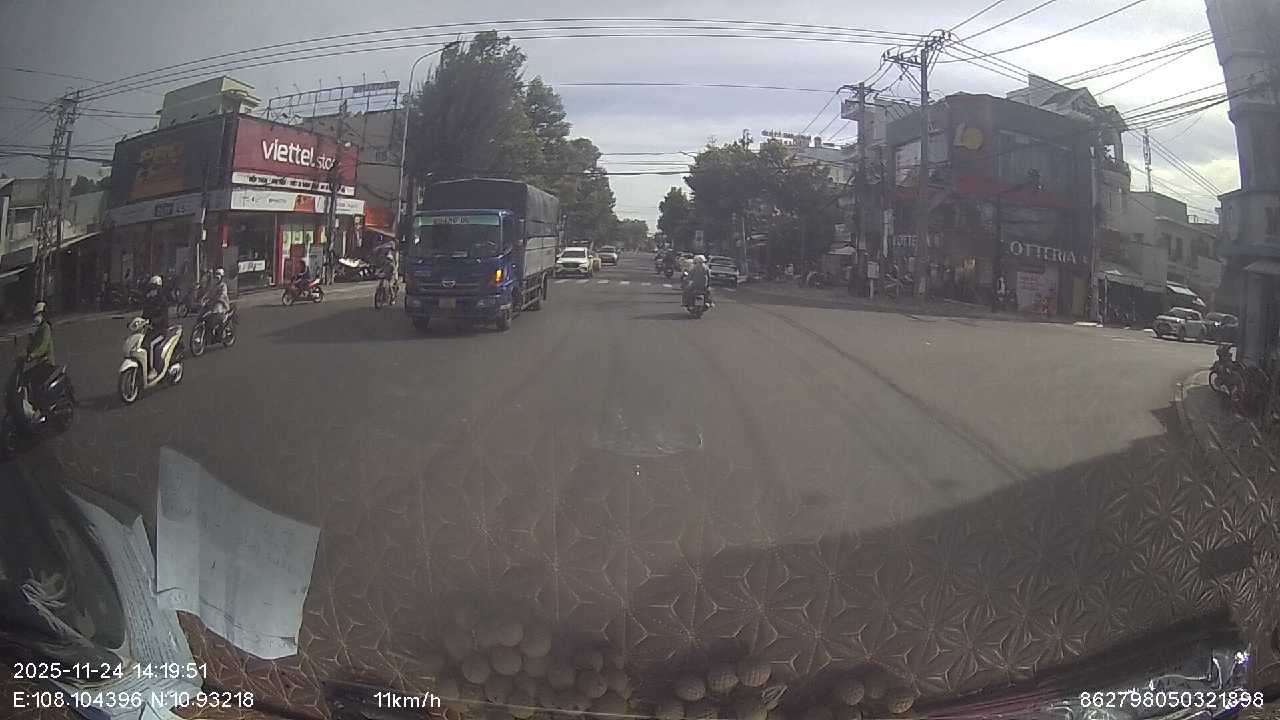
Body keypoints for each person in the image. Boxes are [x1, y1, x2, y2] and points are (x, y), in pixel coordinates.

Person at [22, 302, 56, 420]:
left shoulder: (46, 327)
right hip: (40, 363)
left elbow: (43, 347)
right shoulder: (38, 329)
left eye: (39, 314)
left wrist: (32, 356)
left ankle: (42, 410)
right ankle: (30, 407)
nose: (37, 317)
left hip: (47, 363)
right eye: (36, 315)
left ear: (44, 315)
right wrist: (23, 354)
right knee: (24, 378)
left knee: (35, 383)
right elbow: (32, 346)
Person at [141, 275, 171, 377]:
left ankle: (154, 369)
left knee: (151, 345)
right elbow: (144, 314)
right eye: (152, 287)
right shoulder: (148, 300)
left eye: (155, 287)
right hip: (149, 329)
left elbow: (164, 317)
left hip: (161, 329)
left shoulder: (162, 301)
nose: (153, 290)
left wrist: (154, 322)